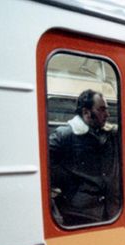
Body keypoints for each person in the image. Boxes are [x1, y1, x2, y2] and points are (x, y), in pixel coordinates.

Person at [49, 89, 120, 226]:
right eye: (102, 110)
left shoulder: (110, 135)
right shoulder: (64, 135)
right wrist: (71, 185)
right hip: (80, 212)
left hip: (111, 212)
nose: (107, 114)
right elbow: (46, 164)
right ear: (86, 112)